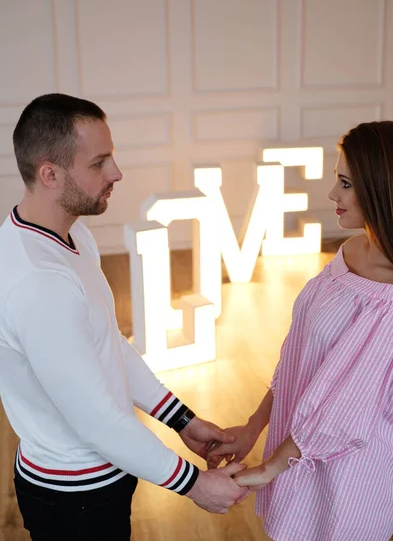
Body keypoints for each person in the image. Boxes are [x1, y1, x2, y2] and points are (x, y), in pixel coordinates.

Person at [0, 93, 249, 541]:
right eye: (99, 163)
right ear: (49, 173)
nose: (116, 172)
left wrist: (183, 421)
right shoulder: (39, 283)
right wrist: (194, 484)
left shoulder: (71, 236)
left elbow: (108, 342)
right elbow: (95, 418)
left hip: (101, 474)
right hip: (73, 496)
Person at [207, 121, 393, 541]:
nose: (333, 195)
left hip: (350, 480)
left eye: (346, 183)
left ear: (384, 190)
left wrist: (272, 466)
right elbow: (299, 357)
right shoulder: (349, 252)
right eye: (337, 179)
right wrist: (254, 426)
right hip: (297, 458)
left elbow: (345, 406)